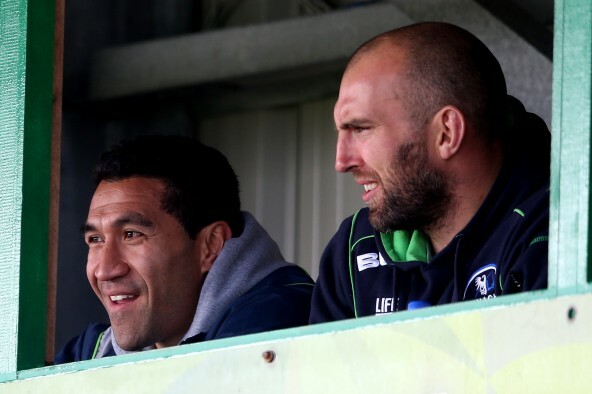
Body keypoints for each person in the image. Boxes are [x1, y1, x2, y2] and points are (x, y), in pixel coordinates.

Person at [309, 21, 551, 322]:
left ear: (446, 133)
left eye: (360, 129)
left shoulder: (565, 233)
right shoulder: (352, 250)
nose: (341, 161)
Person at [55, 135, 314, 363]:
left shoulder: (276, 320)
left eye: (132, 235)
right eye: (96, 240)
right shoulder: (93, 351)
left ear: (210, 246)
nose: (105, 270)